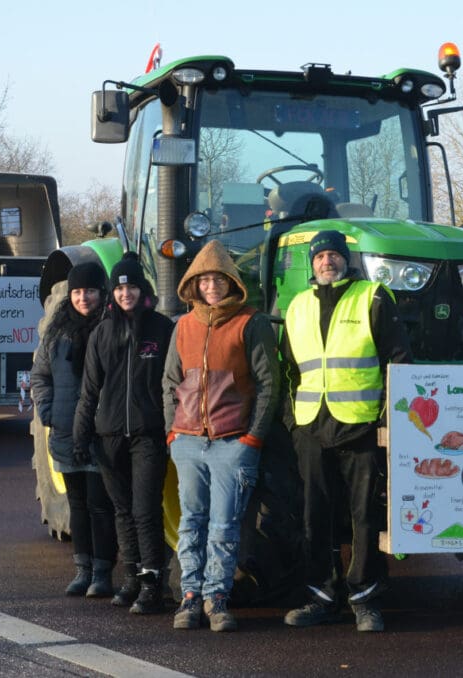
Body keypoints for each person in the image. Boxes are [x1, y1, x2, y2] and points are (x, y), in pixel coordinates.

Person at [280, 229, 412, 633]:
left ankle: (365, 599)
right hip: (311, 427)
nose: (326, 262)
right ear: (312, 262)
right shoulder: (297, 306)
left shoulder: (371, 296)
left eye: (334, 255)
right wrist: (292, 421)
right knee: (314, 515)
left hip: (359, 425)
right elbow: (287, 368)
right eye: (320, 257)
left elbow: (399, 359)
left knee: (364, 516)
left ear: (345, 260)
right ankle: (321, 596)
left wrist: (386, 420)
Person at [162, 240, 280, 632]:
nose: (212, 286)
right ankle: (190, 596)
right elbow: (169, 383)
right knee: (192, 521)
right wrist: (172, 434)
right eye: (205, 280)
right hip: (188, 441)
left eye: (219, 279)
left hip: (233, 442)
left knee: (225, 525)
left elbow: (268, 384)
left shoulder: (252, 323)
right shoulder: (183, 326)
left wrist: (253, 438)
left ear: (232, 282)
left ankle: (217, 597)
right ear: (194, 285)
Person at [73, 253, 173, 615]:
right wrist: (81, 435)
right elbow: (90, 390)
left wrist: (171, 427)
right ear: (112, 293)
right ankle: (130, 578)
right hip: (109, 435)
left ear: (142, 288)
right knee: (122, 512)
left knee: (145, 510)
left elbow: (173, 384)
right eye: (119, 287)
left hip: (149, 434)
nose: (125, 293)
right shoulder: (102, 332)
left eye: (131, 286)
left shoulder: (162, 329)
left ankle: (152, 584)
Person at [30, 262, 118, 598]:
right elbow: (40, 375)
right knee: (78, 504)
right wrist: (49, 410)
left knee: (100, 504)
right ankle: (82, 570)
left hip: (99, 432)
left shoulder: (110, 329)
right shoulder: (58, 331)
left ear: (101, 293)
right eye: (78, 292)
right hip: (66, 430)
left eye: (90, 291)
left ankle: (102, 573)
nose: (83, 298)